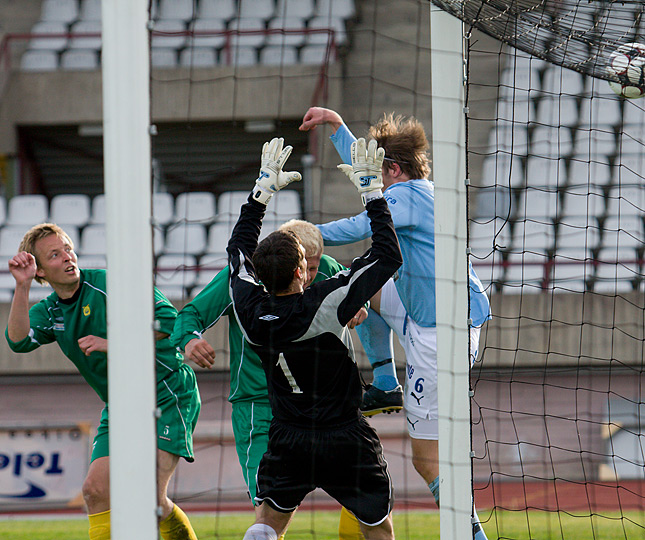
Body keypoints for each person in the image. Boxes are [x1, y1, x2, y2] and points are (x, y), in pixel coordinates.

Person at [300, 107, 492, 540]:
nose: (375, 182)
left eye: (380, 174)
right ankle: (386, 383)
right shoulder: (416, 189)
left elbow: (360, 223)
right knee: (361, 284)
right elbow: (368, 172)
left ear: (394, 169)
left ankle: (472, 531)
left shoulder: (404, 197)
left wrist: (301, 232)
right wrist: (336, 128)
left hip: (440, 337)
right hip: (435, 311)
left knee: (426, 459)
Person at [229, 137, 402, 540]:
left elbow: (237, 252)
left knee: (268, 522)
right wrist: (373, 193)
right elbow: (387, 254)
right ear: (301, 273)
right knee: (379, 528)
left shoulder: (248, 311)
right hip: (344, 436)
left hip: (287, 437)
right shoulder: (327, 302)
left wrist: (260, 195)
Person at [5, 223, 201, 540]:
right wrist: (22, 287)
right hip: (121, 404)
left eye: (68, 248)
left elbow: (170, 322)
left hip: (167, 391)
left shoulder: (112, 284)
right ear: (40, 271)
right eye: (55, 254)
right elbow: (17, 341)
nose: (68, 257)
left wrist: (114, 342)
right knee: (95, 491)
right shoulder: (50, 309)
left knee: (149, 499)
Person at [170, 218, 367, 513]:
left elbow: (354, 298)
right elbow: (191, 314)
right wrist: (190, 339)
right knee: (267, 507)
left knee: (366, 498)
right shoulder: (242, 279)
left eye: (314, 268)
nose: (310, 276)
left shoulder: (326, 266)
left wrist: (357, 310)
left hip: (323, 411)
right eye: (305, 267)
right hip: (260, 408)